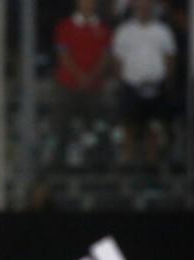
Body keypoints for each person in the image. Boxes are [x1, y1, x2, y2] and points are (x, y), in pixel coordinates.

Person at [113, 0, 177, 164]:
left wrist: (167, 82)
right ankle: (128, 164)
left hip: (156, 86)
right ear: (134, 8)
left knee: (153, 128)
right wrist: (122, 82)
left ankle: (152, 165)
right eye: (140, 6)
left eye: (146, 6)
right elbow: (118, 60)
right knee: (129, 127)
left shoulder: (162, 31)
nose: (143, 9)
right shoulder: (125, 30)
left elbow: (170, 58)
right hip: (132, 85)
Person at [52, 0, 112, 166]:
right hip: (68, 84)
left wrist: (91, 77)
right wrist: (80, 76)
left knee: (97, 125)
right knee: (62, 123)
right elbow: (63, 56)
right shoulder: (65, 27)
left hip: (95, 86)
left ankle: (99, 161)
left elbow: (105, 57)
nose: (88, 4)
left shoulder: (103, 29)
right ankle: (58, 160)